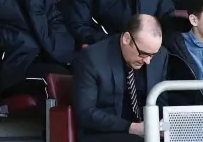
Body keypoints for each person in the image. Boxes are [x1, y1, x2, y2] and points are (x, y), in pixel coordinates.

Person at [72, 14, 168, 142]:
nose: (148, 61)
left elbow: (161, 100)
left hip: (146, 130)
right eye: (143, 54)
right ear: (127, 39)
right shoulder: (92, 58)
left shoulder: (161, 56)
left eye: (153, 55)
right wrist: (132, 127)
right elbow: (86, 113)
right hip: (104, 133)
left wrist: (160, 124)